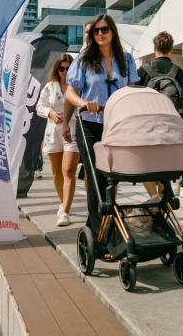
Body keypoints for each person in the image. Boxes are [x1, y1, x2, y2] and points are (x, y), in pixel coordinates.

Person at [63, 14, 139, 245]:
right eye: (95, 31)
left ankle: (99, 224)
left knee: (112, 178)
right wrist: (84, 103)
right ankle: (104, 237)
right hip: (90, 125)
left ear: (113, 31)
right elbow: (70, 92)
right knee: (96, 177)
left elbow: (132, 88)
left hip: (116, 125)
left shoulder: (127, 59)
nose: (100, 34)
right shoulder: (84, 59)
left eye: (104, 29)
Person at [136, 31, 183, 198]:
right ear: (171, 49)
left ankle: (153, 198)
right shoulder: (180, 73)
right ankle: (163, 205)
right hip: (173, 129)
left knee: (146, 165)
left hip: (148, 128)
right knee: (165, 169)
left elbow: (134, 102)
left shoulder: (142, 72)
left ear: (154, 48)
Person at [38, 53, 80, 226]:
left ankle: (65, 212)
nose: (65, 71)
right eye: (61, 68)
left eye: (68, 68)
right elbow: (39, 105)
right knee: (56, 172)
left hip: (72, 129)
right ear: (57, 69)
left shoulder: (78, 85)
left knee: (68, 170)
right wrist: (50, 113)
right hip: (53, 131)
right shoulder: (50, 87)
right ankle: (64, 203)